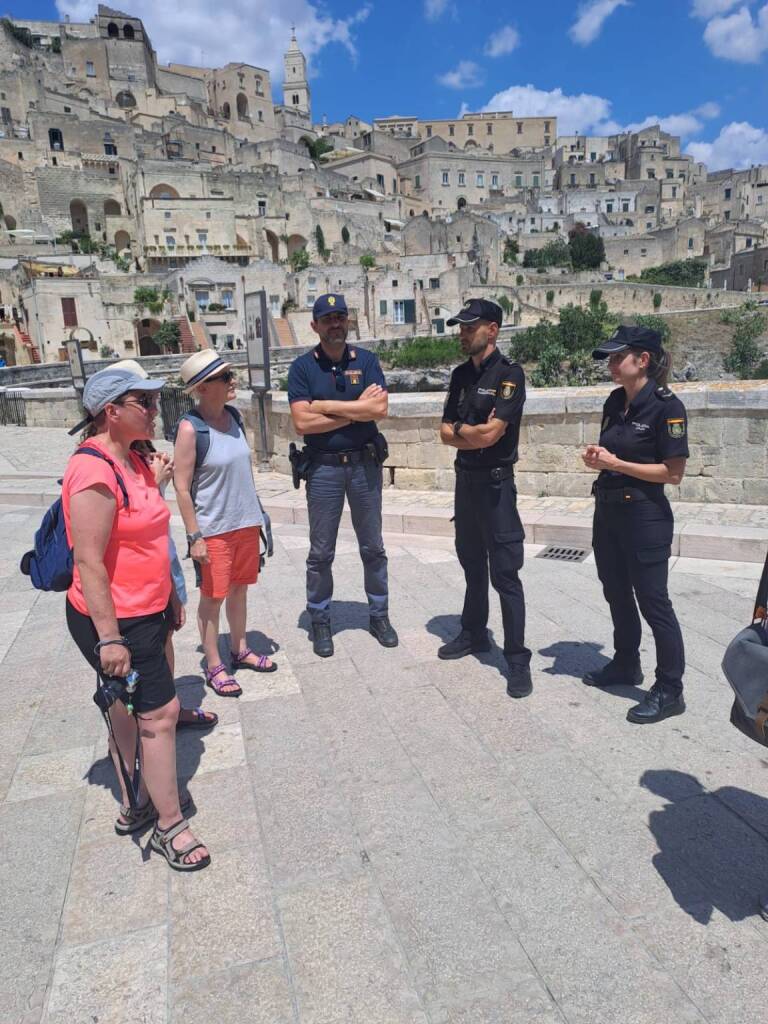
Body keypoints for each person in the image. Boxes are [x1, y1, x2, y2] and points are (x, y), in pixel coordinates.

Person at [63, 366, 210, 871]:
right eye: (142, 401)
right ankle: (170, 825)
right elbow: (89, 560)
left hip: (146, 608)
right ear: (111, 411)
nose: (153, 408)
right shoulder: (93, 470)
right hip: (116, 619)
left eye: (153, 398)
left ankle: (135, 800)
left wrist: (168, 593)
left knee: (128, 709)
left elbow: (144, 534)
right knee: (160, 715)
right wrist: (110, 640)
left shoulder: (138, 460)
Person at [581, 324, 688, 724]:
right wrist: (598, 457)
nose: (610, 363)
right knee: (616, 593)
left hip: (644, 516)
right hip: (608, 512)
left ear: (642, 360)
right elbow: (614, 451)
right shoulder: (614, 401)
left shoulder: (667, 407)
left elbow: (672, 473)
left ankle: (670, 688)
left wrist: (616, 464)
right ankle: (626, 663)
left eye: (616, 357)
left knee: (654, 603)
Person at [287, 293, 397, 658]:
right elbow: (302, 421)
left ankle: (378, 614)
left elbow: (379, 408)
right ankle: (320, 620)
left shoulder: (365, 361)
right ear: (314, 325)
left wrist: (329, 407)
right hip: (323, 469)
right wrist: (356, 411)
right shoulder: (302, 368)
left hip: (364, 465)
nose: (335, 323)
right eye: (327, 318)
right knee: (321, 552)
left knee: (373, 547)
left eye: (340, 316)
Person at [438, 298, 532, 698]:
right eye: (460, 327)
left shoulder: (510, 375)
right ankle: (474, 632)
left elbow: (493, 434)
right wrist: (467, 430)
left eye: (469, 326)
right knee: (472, 564)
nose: (462, 332)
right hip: (466, 483)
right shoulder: (460, 375)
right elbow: (443, 432)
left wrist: (463, 432)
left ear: (492, 330)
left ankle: (516, 659)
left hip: (495, 486)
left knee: (505, 574)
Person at [173, 349, 275, 697]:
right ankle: (214, 663)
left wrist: (258, 515)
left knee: (240, 588)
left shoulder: (234, 416)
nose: (233, 381)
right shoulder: (190, 429)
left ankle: (240, 648)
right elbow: (182, 488)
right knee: (213, 596)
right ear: (202, 388)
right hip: (213, 529)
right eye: (224, 377)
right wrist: (194, 536)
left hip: (245, 523)